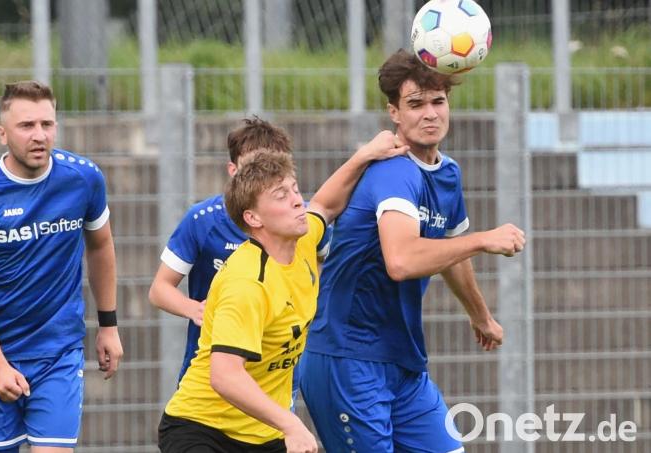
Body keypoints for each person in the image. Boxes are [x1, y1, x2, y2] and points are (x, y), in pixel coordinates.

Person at [299, 49, 527, 452]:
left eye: (438, 102)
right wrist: (483, 238)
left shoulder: (447, 173)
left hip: (402, 362)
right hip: (348, 359)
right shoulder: (394, 171)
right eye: (415, 104)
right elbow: (401, 261)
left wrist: (481, 315)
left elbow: (450, 255)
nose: (430, 114)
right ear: (394, 113)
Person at [158, 133, 409, 453]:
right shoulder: (246, 283)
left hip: (263, 434)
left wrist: (365, 155)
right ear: (253, 218)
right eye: (281, 195)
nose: (296, 201)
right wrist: (291, 423)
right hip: (202, 430)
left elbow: (325, 204)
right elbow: (224, 376)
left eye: (294, 189)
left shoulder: (301, 242)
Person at [0, 80, 123, 452]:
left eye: (47, 124)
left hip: (59, 353)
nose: (39, 135)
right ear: (2, 133)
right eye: (26, 126)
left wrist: (108, 326)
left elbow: (102, 245)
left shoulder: (83, 178)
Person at [148, 117, 329, 384]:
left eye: (275, 170)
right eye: (254, 168)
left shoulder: (300, 220)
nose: (265, 176)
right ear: (233, 171)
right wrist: (195, 309)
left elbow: (319, 265)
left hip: (275, 371)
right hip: (211, 372)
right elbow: (159, 289)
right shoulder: (203, 220)